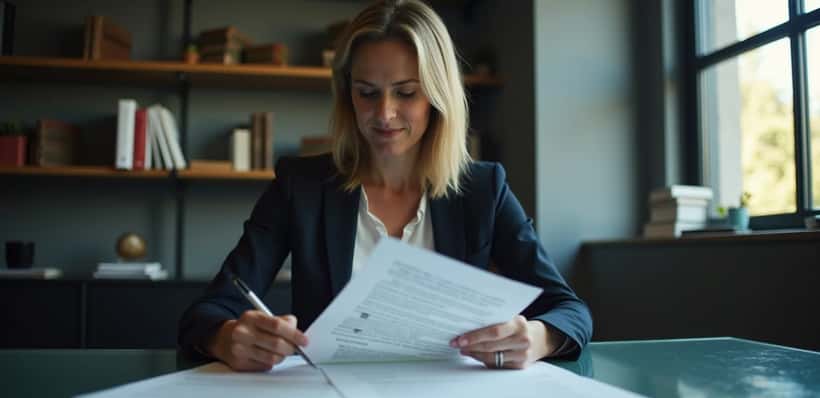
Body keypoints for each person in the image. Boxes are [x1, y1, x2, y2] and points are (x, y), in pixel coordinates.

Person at [178, 0, 592, 372]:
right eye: (367, 93)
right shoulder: (300, 187)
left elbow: (569, 310)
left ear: (437, 95)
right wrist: (227, 337)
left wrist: (537, 338)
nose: (384, 113)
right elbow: (209, 311)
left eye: (406, 93)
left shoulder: (484, 189)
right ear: (347, 95)